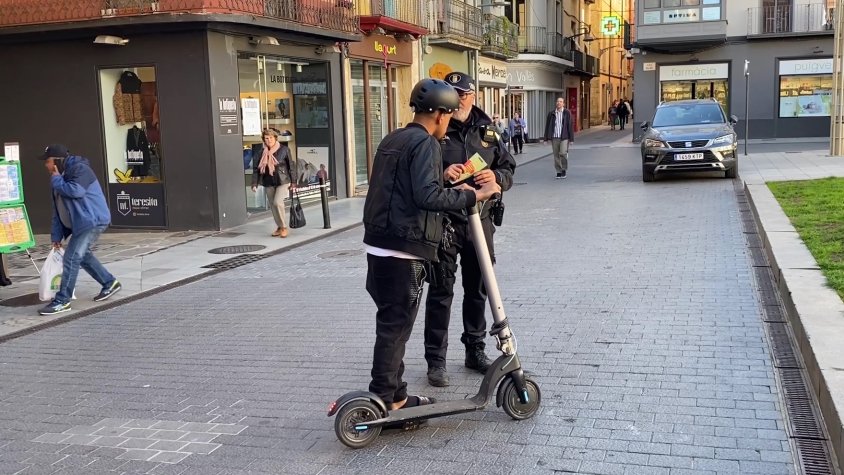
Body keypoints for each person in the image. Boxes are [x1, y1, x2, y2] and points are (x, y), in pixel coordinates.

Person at [363, 78, 501, 413]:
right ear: (439, 114)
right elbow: (427, 197)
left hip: (379, 246)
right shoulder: (426, 143)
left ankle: (396, 392)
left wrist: (441, 176)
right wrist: (474, 194)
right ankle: (384, 395)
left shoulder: (394, 138)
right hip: (403, 250)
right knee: (395, 329)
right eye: (449, 116)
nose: (449, 123)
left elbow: (400, 186)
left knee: (391, 323)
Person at [424, 72, 516, 388]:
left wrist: (497, 180)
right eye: (454, 94)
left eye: (464, 94)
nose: (459, 99)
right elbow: (422, 172)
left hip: (482, 221)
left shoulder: (488, 132)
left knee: (478, 289)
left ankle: (474, 350)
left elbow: (508, 167)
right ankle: (435, 361)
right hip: (446, 222)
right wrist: (442, 171)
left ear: (473, 95)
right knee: (441, 291)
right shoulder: (437, 130)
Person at [38, 144, 121, 316]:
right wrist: (56, 236)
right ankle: (109, 282)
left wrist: (56, 179)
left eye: (48, 161)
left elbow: (76, 191)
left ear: (57, 161)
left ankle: (63, 300)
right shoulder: (57, 178)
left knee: (71, 257)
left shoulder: (80, 169)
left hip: (93, 220)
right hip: (81, 222)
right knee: (82, 255)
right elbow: (57, 210)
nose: (45, 165)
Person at [251, 128, 295, 238]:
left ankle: (284, 227)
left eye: (271, 137)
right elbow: (256, 169)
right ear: (263, 140)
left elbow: (291, 166)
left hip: (282, 180)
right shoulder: (261, 152)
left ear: (275, 138)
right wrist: (254, 183)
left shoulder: (284, 149)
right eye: (266, 138)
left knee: (277, 203)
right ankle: (279, 227)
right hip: (268, 181)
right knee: (273, 206)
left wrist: (294, 182)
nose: (269, 140)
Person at [544, 97, 575, 179]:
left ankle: (564, 169)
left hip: (564, 137)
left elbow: (570, 126)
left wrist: (571, 139)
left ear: (563, 104)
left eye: (561, 102)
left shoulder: (567, 113)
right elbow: (547, 126)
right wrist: (546, 138)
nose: (559, 103)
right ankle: (558, 171)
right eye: (557, 101)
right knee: (556, 155)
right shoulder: (551, 113)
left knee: (563, 153)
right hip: (555, 137)